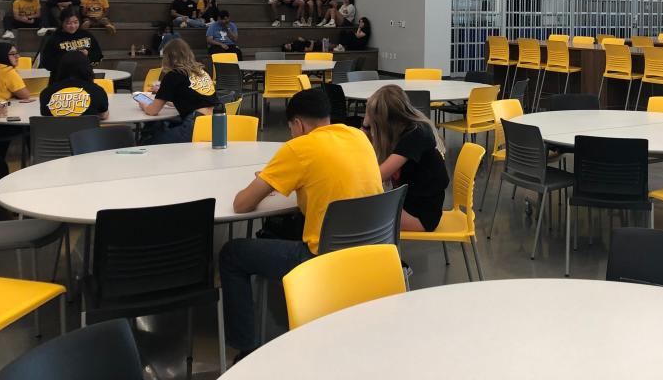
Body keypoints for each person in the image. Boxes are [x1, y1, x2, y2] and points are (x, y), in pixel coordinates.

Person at [219, 90, 383, 359]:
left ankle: (245, 350)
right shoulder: (357, 136)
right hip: (374, 251)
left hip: (325, 257)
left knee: (231, 254)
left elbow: (242, 205)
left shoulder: (299, 148)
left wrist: (271, 179)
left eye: (291, 129)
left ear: (298, 124)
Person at [364, 85, 449, 232]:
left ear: (387, 121)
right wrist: (366, 124)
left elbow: (379, 175)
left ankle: (380, 255)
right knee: (356, 211)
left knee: (357, 217)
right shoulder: (407, 129)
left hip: (422, 216)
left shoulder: (417, 135)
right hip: (409, 203)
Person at [137, 38, 218, 143]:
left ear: (168, 58)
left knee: (150, 143)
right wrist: (170, 101)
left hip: (194, 124)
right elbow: (196, 100)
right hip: (216, 124)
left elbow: (153, 111)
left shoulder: (173, 75)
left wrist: (143, 104)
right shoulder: (201, 72)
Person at [0, 42, 30, 159]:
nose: (17, 56)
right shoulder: (7, 71)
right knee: (30, 127)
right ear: (3, 55)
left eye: (17, 53)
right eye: (13, 54)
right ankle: (35, 160)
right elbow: (25, 95)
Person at [39, 51, 109, 120]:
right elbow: (103, 116)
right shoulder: (97, 91)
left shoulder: (46, 93)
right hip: (87, 130)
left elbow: (45, 115)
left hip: (55, 131)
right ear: (87, 69)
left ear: (60, 69)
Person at [39, 8, 103, 72]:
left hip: (84, 75)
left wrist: (88, 55)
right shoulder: (54, 38)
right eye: (68, 23)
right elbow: (46, 62)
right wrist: (68, 58)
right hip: (62, 77)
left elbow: (98, 56)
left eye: (76, 22)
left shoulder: (86, 35)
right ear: (62, 22)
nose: (73, 26)